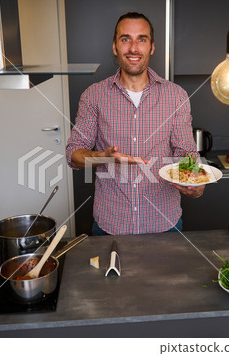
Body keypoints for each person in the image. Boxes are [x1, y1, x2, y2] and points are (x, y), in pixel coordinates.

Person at [66, 12, 204, 236]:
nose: (133, 48)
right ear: (114, 46)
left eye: (141, 39)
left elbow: (186, 151)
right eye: (125, 39)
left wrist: (195, 183)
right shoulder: (93, 96)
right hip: (110, 225)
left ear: (152, 47)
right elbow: (73, 154)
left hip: (165, 225)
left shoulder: (177, 95)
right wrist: (105, 157)